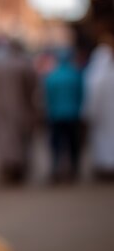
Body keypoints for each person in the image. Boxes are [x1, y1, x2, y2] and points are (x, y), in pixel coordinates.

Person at [0, 40, 39, 183]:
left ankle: (8, 168)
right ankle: (17, 169)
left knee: (5, 140)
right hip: (19, 106)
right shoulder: (24, 65)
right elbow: (32, 87)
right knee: (19, 140)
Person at [43, 49, 83, 181]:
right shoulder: (75, 75)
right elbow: (81, 95)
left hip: (55, 115)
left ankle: (55, 169)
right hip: (72, 115)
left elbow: (47, 97)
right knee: (72, 144)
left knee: (56, 145)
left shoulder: (52, 77)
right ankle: (73, 170)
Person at [83, 31, 114, 179]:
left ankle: (105, 168)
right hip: (107, 116)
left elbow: (92, 96)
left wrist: (88, 112)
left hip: (101, 115)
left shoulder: (95, 75)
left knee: (103, 143)